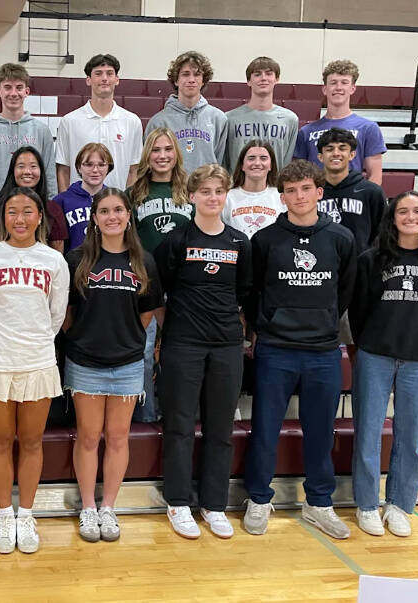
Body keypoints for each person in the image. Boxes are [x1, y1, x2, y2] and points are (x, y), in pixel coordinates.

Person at [243, 159, 357, 540]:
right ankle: (259, 498)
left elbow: (345, 292)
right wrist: (266, 324)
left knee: (321, 431)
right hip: (276, 347)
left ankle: (319, 502)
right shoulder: (266, 239)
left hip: (323, 350)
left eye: (305, 188)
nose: (298, 196)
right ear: (282, 196)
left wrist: (324, 321)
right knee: (265, 429)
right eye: (290, 190)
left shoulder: (340, 238)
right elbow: (253, 290)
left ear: (319, 192)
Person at [0, 187, 69, 554]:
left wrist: (33, 341)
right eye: (12, 212)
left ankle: (27, 513)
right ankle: (4, 513)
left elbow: (56, 317)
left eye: (27, 211)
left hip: (37, 361)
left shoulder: (55, 261)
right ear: (3, 218)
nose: (20, 219)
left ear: (40, 217)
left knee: (31, 441)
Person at [154, 164, 251, 540]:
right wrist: (173, 328)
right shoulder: (176, 241)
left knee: (220, 428)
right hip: (183, 343)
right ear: (191, 196)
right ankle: (178, 502)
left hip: (226, 345)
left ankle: (214, 504)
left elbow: (244, 293)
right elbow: (157, 291)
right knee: (179, 425)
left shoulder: (240, 242)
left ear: (226, 196)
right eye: (205, 191)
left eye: (219, 191)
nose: (212, 197)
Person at [64, 188, 162, 543]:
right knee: (89, 436)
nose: (112, 217)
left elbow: (148, 312)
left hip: (127, 362)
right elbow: (68, 313)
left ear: (128, 216)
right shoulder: (78, 260)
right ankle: (88, 507)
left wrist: (127, 337)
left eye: (118, 210)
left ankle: (109, 507)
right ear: (94, 218)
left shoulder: (143, 261)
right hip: (86, 360)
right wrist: (87, 338)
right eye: (104, 211)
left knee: (119, 437)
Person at [350, 191, 418, 538]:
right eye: (403, 211)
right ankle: (367, 505)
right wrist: (366, 345)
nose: (411, 217)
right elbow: (358, 310)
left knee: (409, 438)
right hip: (376, 356)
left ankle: (399, 505)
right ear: (392, 217)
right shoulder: (373, 259)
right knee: (368, 435)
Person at [129, 127, 193, 423]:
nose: (162, 155)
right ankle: (146, 420)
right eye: (156, 150)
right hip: (147, 287)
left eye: (168, 149)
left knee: (178, 357)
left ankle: (177, 420)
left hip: (183, 287)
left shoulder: (189, 190)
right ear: (147, 155)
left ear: (176, 154)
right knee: (143, 356)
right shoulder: (135, 193)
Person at [0, 63, 57, 202]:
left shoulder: (42, 131)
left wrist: (50, 206)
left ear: (27, 92)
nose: (13, 93)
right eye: (8, 87)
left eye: (19, 88)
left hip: (33, 207)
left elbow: (49, 176)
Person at [56, 54, 142, 191]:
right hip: (79, 207)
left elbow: (134, 170)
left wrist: (128, 203)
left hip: (117, 205)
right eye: (98, 74)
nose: (104, 78)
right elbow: (63, 169)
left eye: (109, 73)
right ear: (88, 80)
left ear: (117, 79)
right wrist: (65, 204)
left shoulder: (132, 122)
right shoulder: (69, 121)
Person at [294, 60, 386, 184]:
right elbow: (299, 175)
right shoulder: (306, 132)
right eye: (333, 83)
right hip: (317, 199)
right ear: (325, 89)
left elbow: (375, 175)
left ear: (352, 88)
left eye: (344, 83)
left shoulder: (368, 128)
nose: (338, 87)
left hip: (352, 198)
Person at [146, 51, 227, 174]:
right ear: (176, 80)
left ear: (203, 80)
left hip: (206, 189)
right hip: (171, 190)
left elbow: (222, 163)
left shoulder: (218, 118)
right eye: (185, 74)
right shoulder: (158, 122)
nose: (191, 80)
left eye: (197, 74)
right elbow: (149, 165)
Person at [0, 146, 69, 252]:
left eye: (33, 166)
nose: (27, 171)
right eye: (21, 166)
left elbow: (57, 257)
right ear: (12, 171)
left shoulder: (53, 210)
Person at [317, 128, 387, 251]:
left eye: (342, 148)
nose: (336, 153)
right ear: (320, 157)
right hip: (322, 264)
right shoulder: (311, 192)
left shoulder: (371, 192)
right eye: (329, 149)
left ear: (352, 154)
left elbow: (383, 233)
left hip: (359, 265)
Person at [224, 57, 298, 172]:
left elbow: (286, 163)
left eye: (269, 74)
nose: (263, 78)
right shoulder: (229, 119)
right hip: (237, 187)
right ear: (249, 81)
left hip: (274, 188)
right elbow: (225, 162)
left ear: (276, 79)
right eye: (257, 74)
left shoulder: (290, 120)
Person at [53, 143, 112, 251]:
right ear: (79, 167)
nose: (95, 170)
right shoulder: (61, 201)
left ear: (108, 168)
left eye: (101, 165)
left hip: (106, 264)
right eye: (89, 164)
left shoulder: (114, 199)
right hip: (74, 264)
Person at [223, 140, 285, 238]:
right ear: (242, 165)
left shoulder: (281, 197)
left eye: (263, 158)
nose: (257, 163)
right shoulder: (227, 197)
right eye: (251, 158)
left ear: (271, 165)